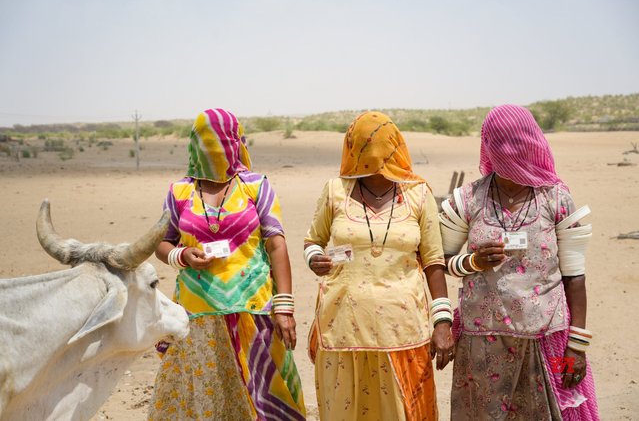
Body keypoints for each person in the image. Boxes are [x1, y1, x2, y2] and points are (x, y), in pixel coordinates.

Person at [440, 104, 599, 419]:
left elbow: (574, 277)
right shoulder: (467, 199)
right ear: (489, 145)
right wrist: (472, 261)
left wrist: (576, 348)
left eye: (517, 142)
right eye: (501, 143)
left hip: (547, 340)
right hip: (482, 345)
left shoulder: (556, 199)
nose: (510, 151)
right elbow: (441, 260)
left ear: (532, 142)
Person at [148, 108, 306, 420]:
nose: (217, 150)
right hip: (198, 318)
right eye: (209, 142)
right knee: (207, 400)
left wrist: (285, 307)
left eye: (223, 141)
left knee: (262, 399)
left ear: (236, 141)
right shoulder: (180, 191)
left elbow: (276, 244)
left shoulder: (256, 185)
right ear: (196, 145)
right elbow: (160, 241)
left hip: (253, 311)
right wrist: (181, 256)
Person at [304, 111, 454, 420]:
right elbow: (313, 240)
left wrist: (442, 322)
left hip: (403, 331)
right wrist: (315, 259)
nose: (372, 151)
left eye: (379, 143)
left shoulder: (418, 193)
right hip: (341, 327)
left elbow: (433, 261)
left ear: (395, 145)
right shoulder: (336, 190)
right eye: (363, 143)